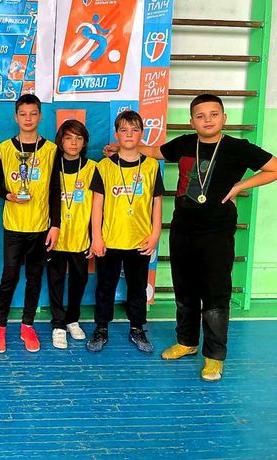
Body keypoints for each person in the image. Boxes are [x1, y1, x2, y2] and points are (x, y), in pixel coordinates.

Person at [110, 94, 277, 381]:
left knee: (215, 294)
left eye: (214, 114)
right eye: (200, 116)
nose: (207, 120)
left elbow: (273, 168)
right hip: (183, 229)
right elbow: (155, 152)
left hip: (217, 232)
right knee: (185, 290)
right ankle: (186, 342)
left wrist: (240, 186)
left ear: (224, 118)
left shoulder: (238, 148)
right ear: (192, 121)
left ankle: (214, 356)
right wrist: (124, 147)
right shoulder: (186, 143)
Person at [88, 110, 164, 354]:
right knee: (105, 286)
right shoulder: (104, 166)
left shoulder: (151, 166)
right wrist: (97, 237)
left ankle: (137, 327)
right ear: (116, 134)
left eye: (134, 130)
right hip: (110, 239)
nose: (129, 134)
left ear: (142, 133)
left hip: (140, 239)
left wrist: (155, 234)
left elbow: (157, 203)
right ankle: (101, 327)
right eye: (124, 130)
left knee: (137, 287)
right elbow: (97, 204)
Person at [0, 94, 60, 353]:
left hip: (40, 226)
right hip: (14, 226)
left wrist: (55, 225)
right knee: (9, 277)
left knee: (34, 278)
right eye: (23, 114)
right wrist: (8, 195)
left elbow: (55, 190)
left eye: (33, 114)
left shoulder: (51, 150)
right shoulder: (5, 148)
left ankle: (27, 325)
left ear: (40, 116)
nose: (28, 119)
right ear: (15, 117)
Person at [48, 119, 96, 349]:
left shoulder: (93, 168)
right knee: (55, 280)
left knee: (79, 280)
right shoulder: (50, 166)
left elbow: (99, 207)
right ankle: (58, 324)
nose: (74, 143)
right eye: (68, 138)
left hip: (80, 236)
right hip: (55, 237)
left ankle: (72, 319)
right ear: (61, 141)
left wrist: (94, 237)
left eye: (78, 138)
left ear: (84, 142)